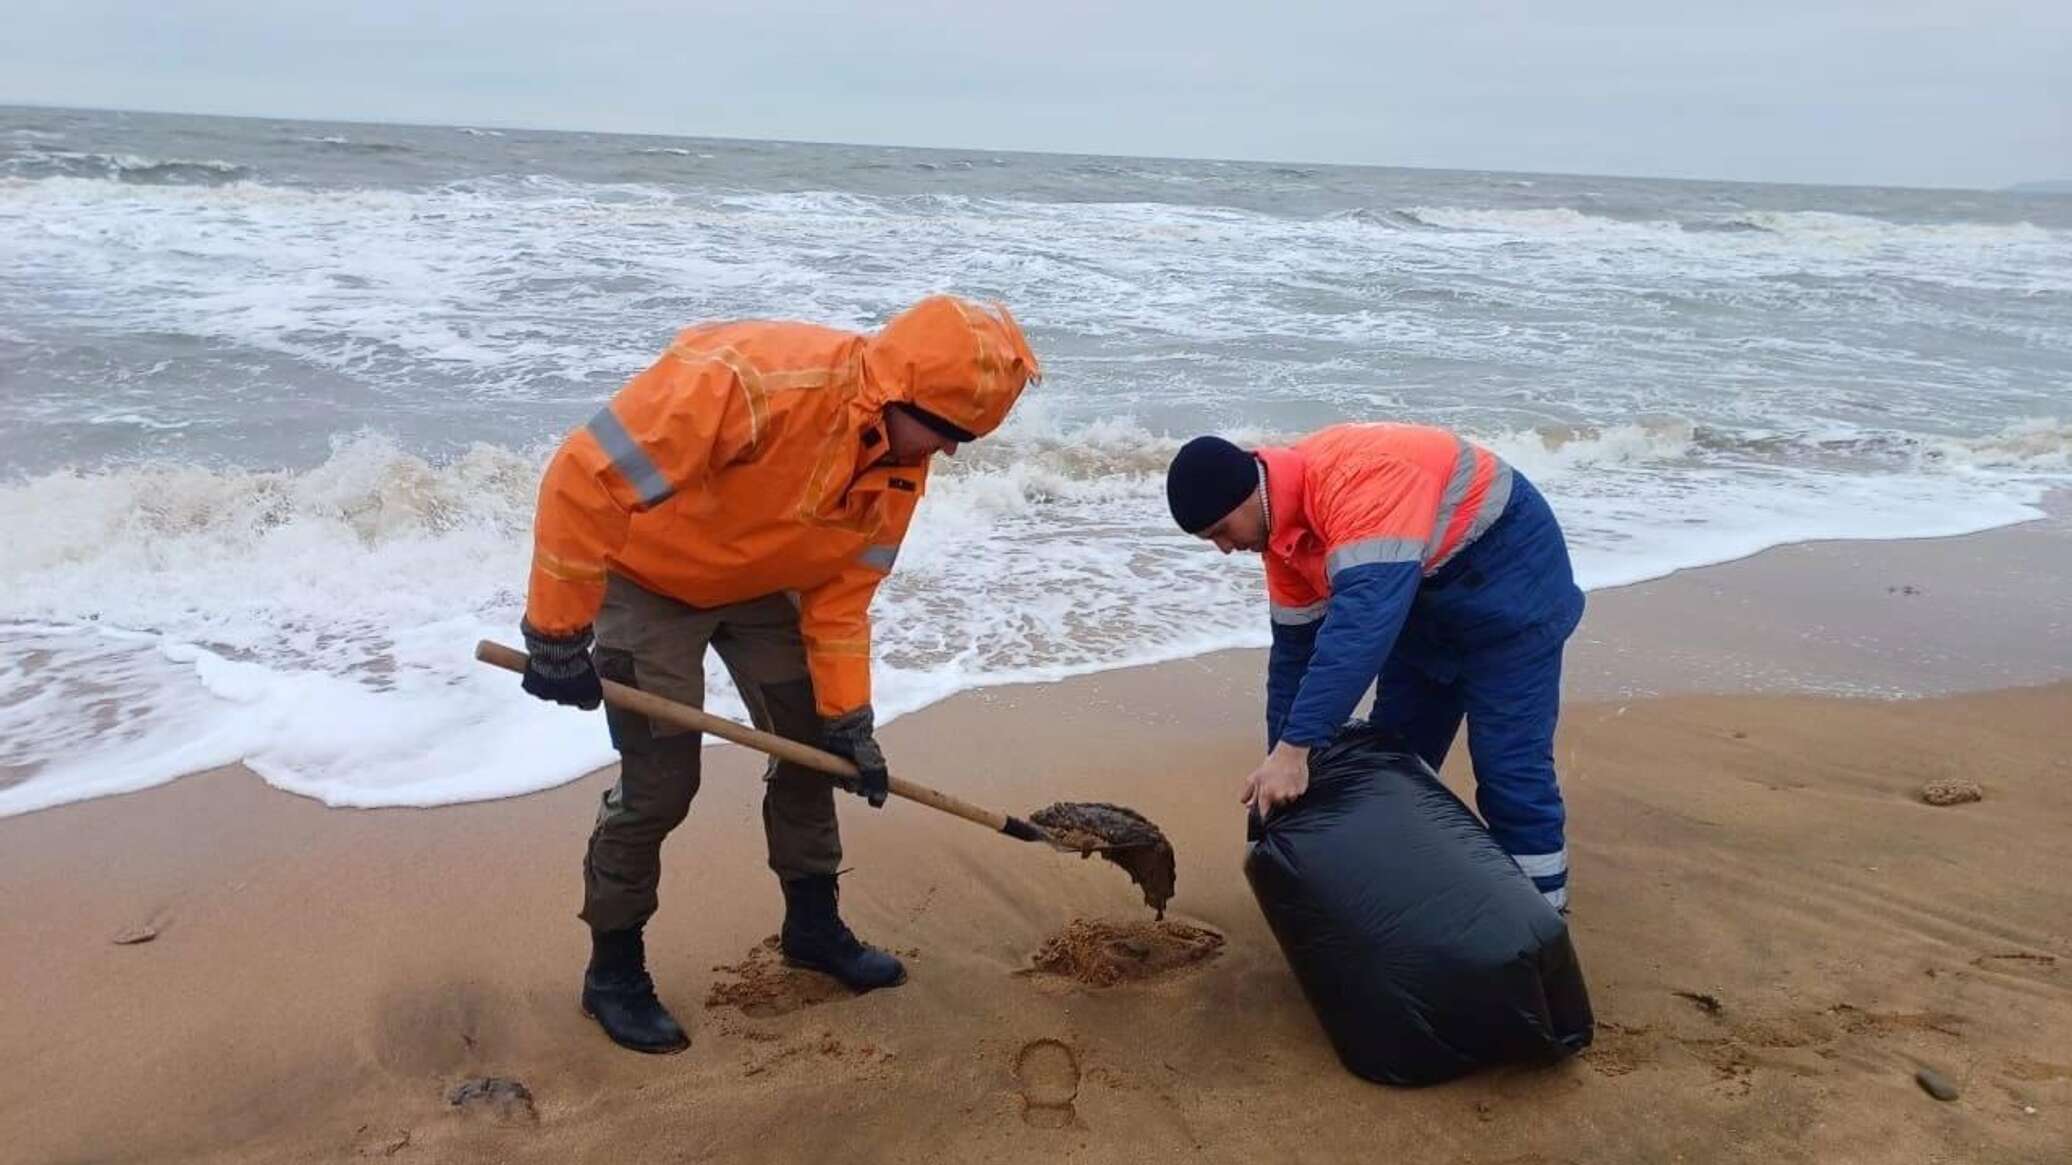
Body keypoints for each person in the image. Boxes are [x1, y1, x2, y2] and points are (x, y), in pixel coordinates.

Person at [518, 295, 1040, 1053]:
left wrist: (849, 717)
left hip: (763, 583)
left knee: (816, 751)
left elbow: (840, 594)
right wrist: (556, 631)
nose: (950, 453)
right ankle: (614, 969)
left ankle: (812, 924)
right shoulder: (753, 382)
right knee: (663, 783)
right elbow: (582, 476)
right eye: (948, 432)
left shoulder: (901, 456)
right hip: (648, 576)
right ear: (896, 391)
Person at [1165, 423, 1583, 912]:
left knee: (1508, 766)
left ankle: (1541, 919)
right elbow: (1293, 661)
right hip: (1424, 608)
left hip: (1511, 587)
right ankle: (1406, 896)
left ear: (1247, 494)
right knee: (1396, 757)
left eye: (1221, 531)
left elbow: (1361, 628)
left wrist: (1297, 749)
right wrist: (1276, 785)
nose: (1225, 548)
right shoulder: (1285, 541)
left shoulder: (1355, 481)